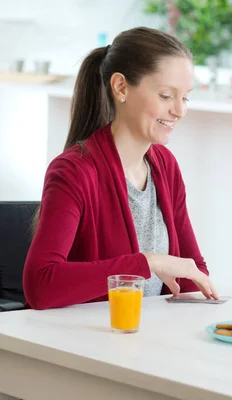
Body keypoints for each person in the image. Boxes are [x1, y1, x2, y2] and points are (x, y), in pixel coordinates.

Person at [23, 27, 219, 310]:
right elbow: (40, 286)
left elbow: (190, 270)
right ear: (121, 87)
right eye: (166, 96)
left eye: (185, 97)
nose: (179, 110)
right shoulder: (73, 171)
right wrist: (148, 262)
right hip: (85, 341)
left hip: (147, 338)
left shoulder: (165, 166)